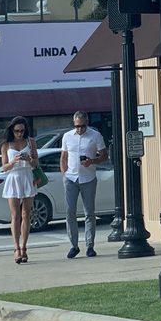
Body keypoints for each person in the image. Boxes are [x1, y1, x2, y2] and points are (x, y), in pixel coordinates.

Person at [60, 110, 108, 259]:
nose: (79, 129)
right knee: (70, 212)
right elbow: (64, 156)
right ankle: (73, 245)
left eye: (82, 126)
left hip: (88, 178)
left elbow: (104, 155)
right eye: (77, 126)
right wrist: (64, 174)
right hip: (71, 178)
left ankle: (90, 245)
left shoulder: (95, 136)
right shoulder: (67, 136)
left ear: (87, 123)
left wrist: (92, 161)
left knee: (89, 213)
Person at [0, 116, 38, 264]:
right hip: (14, 177)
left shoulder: (30, 142)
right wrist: (13, 161)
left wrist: (29, 159)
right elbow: (4, 167)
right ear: (12, 130)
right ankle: (16, 248)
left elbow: (36, 163)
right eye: (17, 131)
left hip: (27, 176)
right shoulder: (6, 145)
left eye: (22, 131)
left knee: (26, 214)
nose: (19, 134)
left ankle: (24, 247)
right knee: (15, 215)